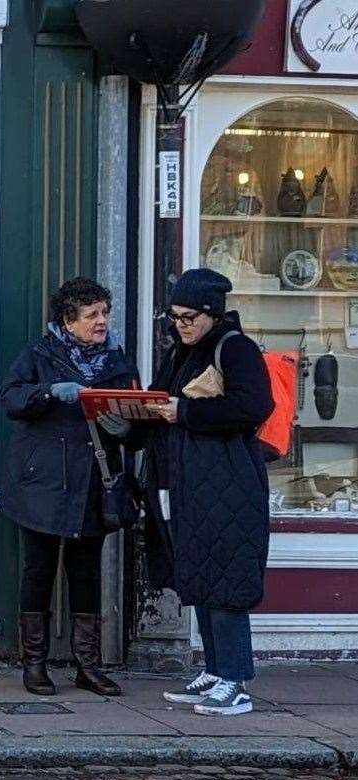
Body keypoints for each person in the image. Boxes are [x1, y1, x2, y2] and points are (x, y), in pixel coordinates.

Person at [0, 276, 139, 697]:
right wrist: (49, 393)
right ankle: (35, 664)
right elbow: (11, 400)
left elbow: (138, 423)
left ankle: (88, 666)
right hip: (42, 480)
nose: (102, 321)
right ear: (68, 320)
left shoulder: (118, 361)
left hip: (93, 482)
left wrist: (128, 426)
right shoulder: (39, 354)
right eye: (92, 314)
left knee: (85, 573)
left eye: (104, 312)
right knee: (38, 571)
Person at [143, 268, 272, 717]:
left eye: (188, 317)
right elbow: (161, 400)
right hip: (189, 483)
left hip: (229, 483)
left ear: (212, 313)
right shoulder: (183, 351)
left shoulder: (235, 348)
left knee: (226, 581)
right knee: (198, 574)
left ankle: (235, 682)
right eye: (174, 317)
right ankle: (216, 672)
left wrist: (185, 411)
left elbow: (254, 406)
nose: (180, 325)